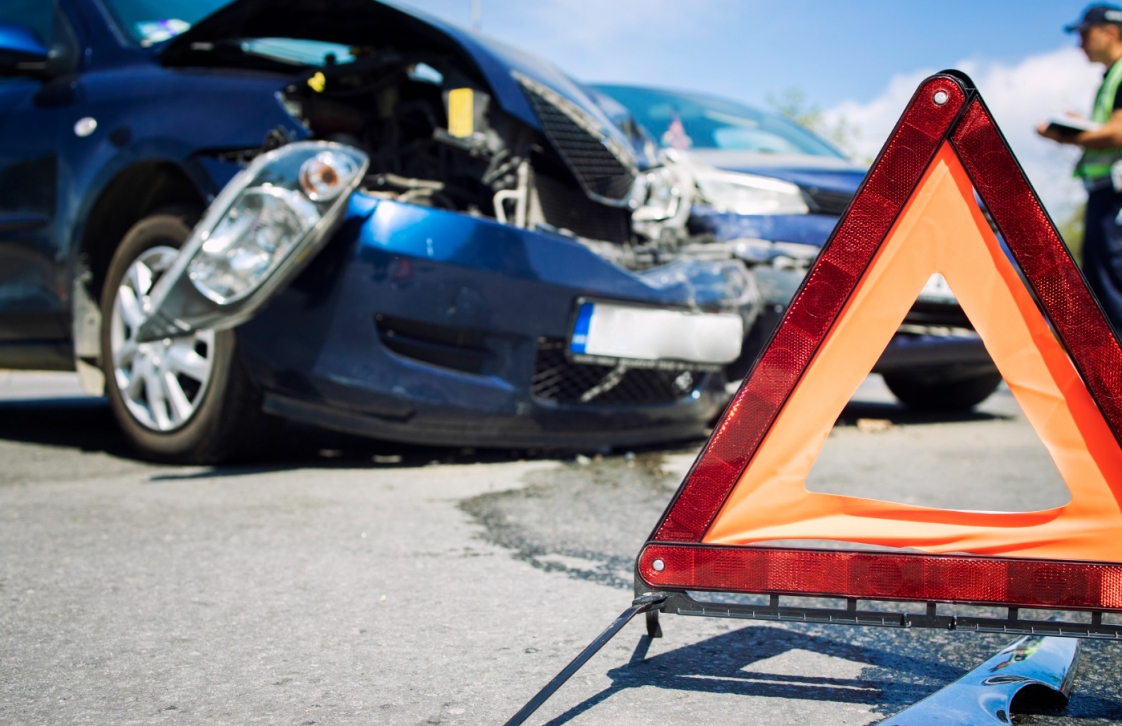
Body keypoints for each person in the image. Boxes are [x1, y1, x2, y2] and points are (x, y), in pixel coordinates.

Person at [1038, 4, 1122, 332]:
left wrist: (1068, 135)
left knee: (1112, 284)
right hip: (1106, 196)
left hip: (1115, 199)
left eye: (1085, 35)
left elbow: (1117, 132)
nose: (1080, 45)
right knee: (1102, 284)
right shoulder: (1112, 76)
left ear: (1110, 32)